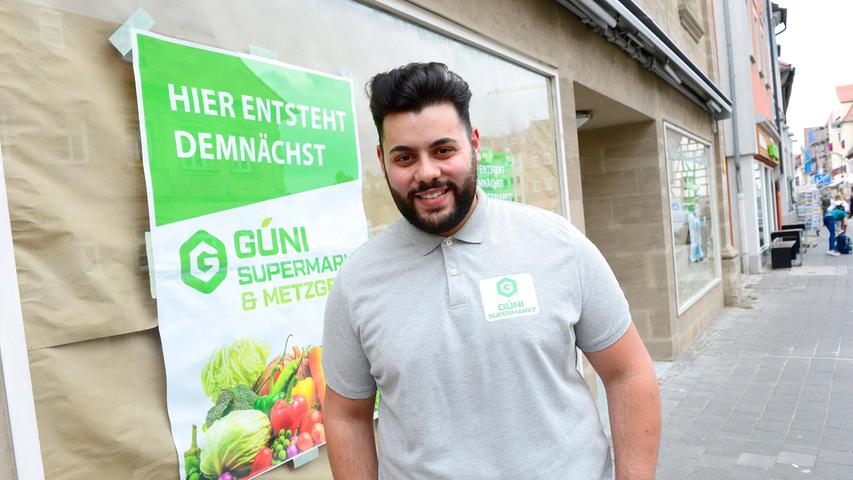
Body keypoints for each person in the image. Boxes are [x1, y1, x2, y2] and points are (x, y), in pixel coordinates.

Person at [322, 62, 660, 480]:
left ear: (474, 144)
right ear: (382, 161)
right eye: (405, 157)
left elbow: (628, 372)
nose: (427, 173)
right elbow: (345, 416)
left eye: (444, 150)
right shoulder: (356, 282)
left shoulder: (560, 245)